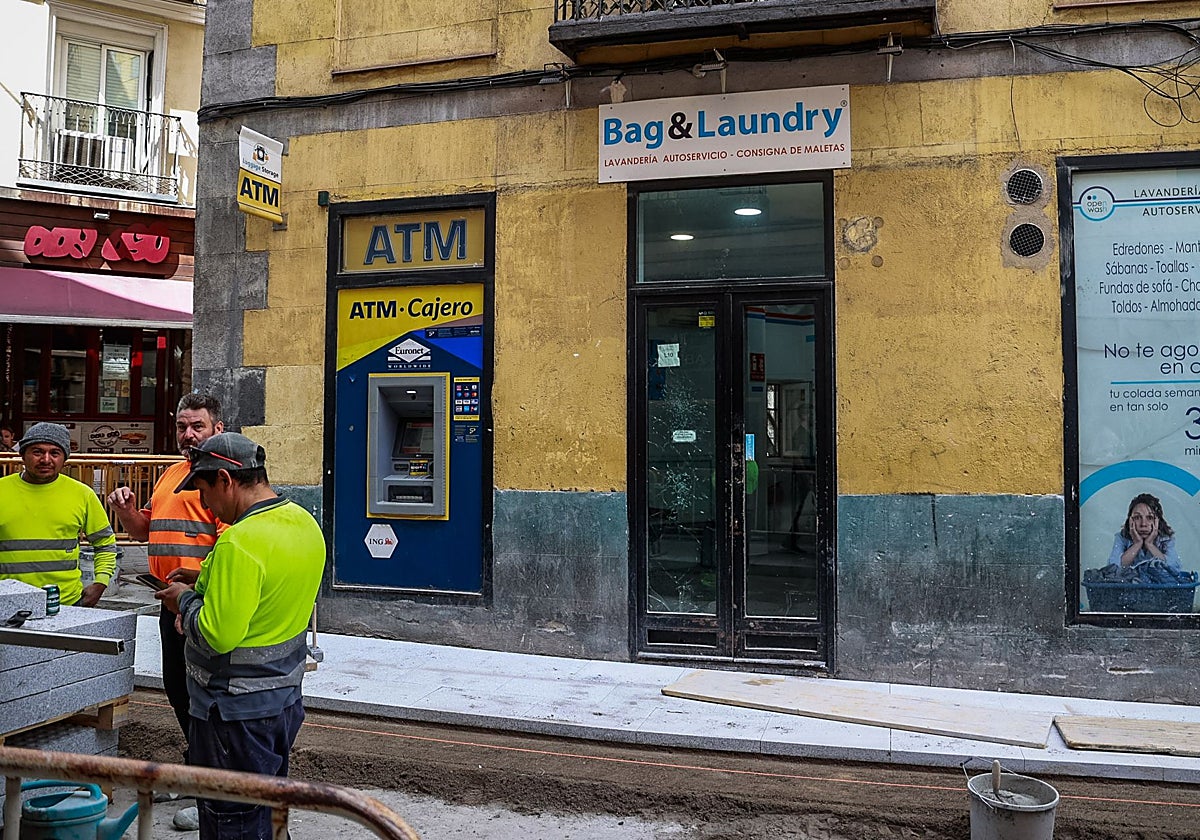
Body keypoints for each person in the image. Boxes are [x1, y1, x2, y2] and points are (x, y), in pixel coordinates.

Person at [157, 433, 325, 840]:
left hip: (232, 713)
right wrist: (205, 579)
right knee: (267, 811)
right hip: (282, 701)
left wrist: (185, 603)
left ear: (225, 480)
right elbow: (266, 589)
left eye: (202, 491)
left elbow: (218, 635)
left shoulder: (239, 540)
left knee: (230, 822)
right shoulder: (302, 522)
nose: (205, 504)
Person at [107, 393, 226, 742]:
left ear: (217, 428)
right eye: (182, 426)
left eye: (197, 426)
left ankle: (209, 769)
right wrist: (127, 510)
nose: (188, 434)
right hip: (170, 601)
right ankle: (197, 760)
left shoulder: (223, 479)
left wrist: (197, 597)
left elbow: (229, 546)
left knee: (203, 691)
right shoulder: (171, 474)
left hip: (201, 603)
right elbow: (145, 529)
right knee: (177, 686)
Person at [0, 422, 117, 606]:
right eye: (37, 452)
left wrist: (100, 583)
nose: (46, 459)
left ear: (65, 458)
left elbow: (105, 545)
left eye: (55, 453)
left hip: (67, 603)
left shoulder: (82, 494)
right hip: (8, 604)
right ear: (22, 455)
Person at [1106, 492, 1183, 573]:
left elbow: (1175, 569)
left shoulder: (1166, 539)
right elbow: (1112, 569)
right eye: (1137, 517)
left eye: (1150, 517)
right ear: (1130, 520)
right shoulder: (1122, 537)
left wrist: (1150, 545)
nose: (1143, 524)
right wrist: (1137, 544)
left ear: (1158, 521)